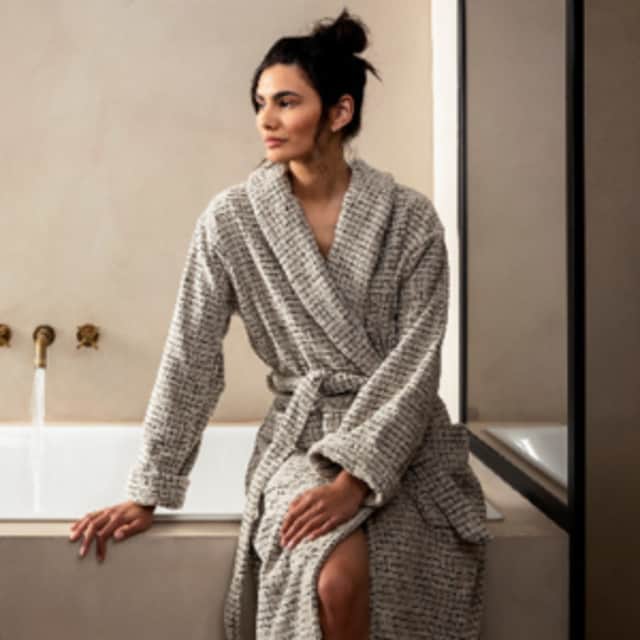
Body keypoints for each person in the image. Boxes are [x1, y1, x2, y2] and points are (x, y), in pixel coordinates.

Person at [69, 8, 493, 639]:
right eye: (260, 103)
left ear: (339, 112)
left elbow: (417, 363)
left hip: (401, 442)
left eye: (286, 102)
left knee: (402, 567)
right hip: (303, 441)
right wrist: (149, 490)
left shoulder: (410, 220)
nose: (265, 120)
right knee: (333, 577)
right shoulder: (232, 221)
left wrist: (356, 481)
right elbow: (191, 356)